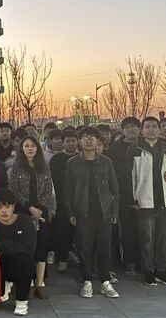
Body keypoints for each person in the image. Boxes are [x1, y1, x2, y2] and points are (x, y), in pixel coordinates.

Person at [64, 127, 120, 299]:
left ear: (98, 142)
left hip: (104, 211)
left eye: (92, 138)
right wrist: (70, 212)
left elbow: (114, 189)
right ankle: (87, 281)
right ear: (80, 142)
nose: (89, 140)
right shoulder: (73, 163)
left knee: (104, 248)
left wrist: (114, 211)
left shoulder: (106, 161)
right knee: (84, 248)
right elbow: (67, 190)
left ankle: (105, 281)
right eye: (85, 137)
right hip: (82, 212)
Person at [125, 116, 166, 286]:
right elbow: (127, 175)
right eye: (147, 127)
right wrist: (132, 198)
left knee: (164, 237)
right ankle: (148, 270)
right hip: (144, 198)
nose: (151, 130)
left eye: (154, 127)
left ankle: (162, 270)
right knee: (147, 237)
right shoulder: (134, 149)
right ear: (142, 130)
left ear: (159, 129)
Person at [7, 135, 55, 299]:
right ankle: (27, 282)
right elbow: (14, 189)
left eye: (32, 146)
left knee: (42, 246)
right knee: (26, 247)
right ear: (22, 149)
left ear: (37, 148)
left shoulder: (44, 166)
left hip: (41, 211)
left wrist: (40, 207)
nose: (30, 149)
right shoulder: (16, 167)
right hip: (23, 211)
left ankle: (40, 283)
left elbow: (48, 188)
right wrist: (29, 207)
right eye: (26, 146)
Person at [0, 187, 37, 317]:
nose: (4, 211)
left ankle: (22, 301)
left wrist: (5, 245)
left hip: (20, 264)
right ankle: (3, 287)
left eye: (7, 206)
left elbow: (29, 249)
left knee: (27, 262)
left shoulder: (26, 222)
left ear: (13, 207)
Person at [107, 117, 141, 276]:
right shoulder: (115, 148)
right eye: (127, 127)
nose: (131, 130)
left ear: (139, 129)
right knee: (128, 230)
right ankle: (129, 261)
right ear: (123, 130)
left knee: (145, 231)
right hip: (123, 193)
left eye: (134, 127)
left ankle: (145, 261)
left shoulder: (145, 145)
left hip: (146, 193)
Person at [50, 129, 80, 273]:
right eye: (68, 141)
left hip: (79, 201)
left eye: (74, 141)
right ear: (62, 143)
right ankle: (63, 258)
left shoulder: (82, 158)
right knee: (63, 231)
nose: (71, 143)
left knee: (79, 232)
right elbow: (52, 182)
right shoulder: (56, 160)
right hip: (61, 201)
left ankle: (78, 257)